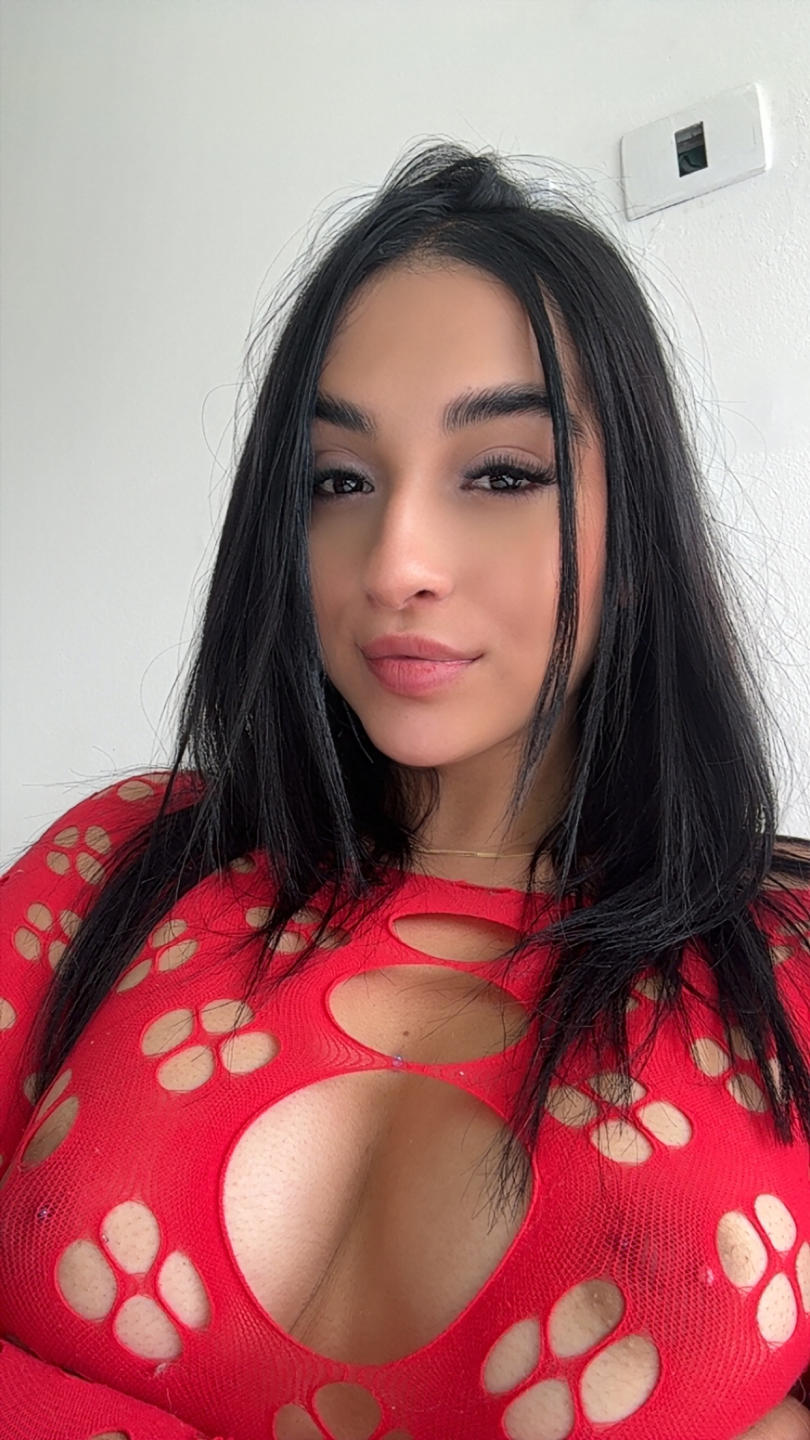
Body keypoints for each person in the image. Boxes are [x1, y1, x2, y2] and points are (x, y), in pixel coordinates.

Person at [0, 140, 808, 1440]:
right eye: (338, 481)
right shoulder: (115, 865)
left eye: (501, 474)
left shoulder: (787, 953)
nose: (395, 562)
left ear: (639, 524)